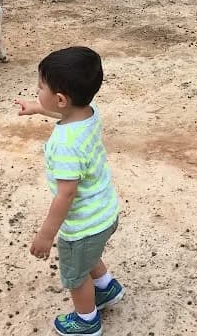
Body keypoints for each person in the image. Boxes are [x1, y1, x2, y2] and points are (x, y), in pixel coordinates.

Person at [16, 46, 122, 336]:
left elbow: (65, 194)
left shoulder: (65, 145)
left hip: (84, 224)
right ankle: (105, 287)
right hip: (105, 212)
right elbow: (64, 109)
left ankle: (87, 320)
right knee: (89, 255)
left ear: (61, 99)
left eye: (40, 88)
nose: (37, 91)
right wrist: (37, 107)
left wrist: (46, 235)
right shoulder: (89, 112)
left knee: (75, 274)